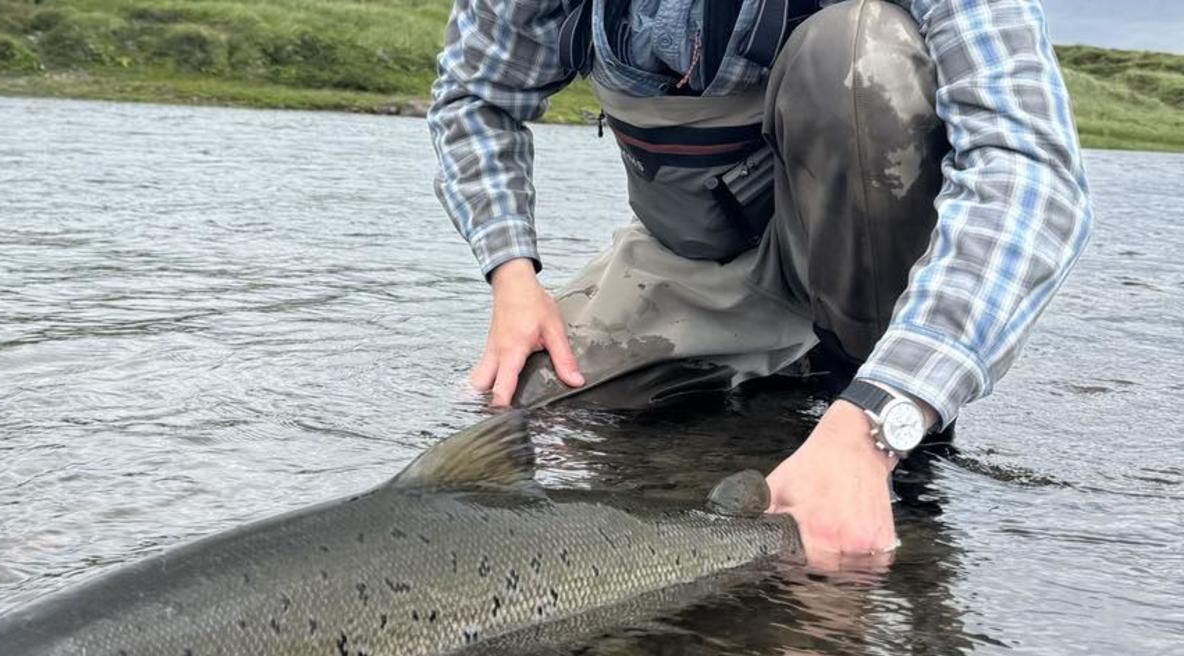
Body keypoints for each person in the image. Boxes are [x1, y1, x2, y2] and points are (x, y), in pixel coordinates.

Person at [428, 0, 1092, 569]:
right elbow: (473, 97)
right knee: (518, 407)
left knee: (863, 53)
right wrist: (512, 274)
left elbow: (1030, 173)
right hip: (693, 261)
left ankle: (875, 395)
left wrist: (878, 424)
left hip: (874, 280)